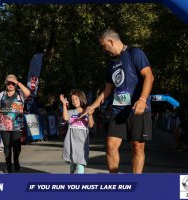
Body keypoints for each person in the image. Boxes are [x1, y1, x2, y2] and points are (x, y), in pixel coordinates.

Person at [83, 29, 154, 173]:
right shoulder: (111, 64)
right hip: (118, 110)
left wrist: (142, 99)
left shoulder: (135, 53)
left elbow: (149, 76)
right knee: (110, 146)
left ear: (111, 41)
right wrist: (93, 106)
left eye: (104, 46)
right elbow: (107, 90)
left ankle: (136, 184)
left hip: (137, 109)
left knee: (137, 147)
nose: (104, 50)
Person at [0, 74, 30, 173]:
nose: (10, 85)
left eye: (12, 83)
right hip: (4, 124)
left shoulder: (20, 93)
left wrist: (17, 82)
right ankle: (8, 165)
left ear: (15, 84)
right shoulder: (2, 94)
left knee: (16, 146)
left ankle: (16, 160)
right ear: (5, 83)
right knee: (7, 146)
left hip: (17, 125)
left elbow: (28, 93)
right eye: (8, 83)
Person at [60, 90, 94, 174]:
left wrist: (89, 115)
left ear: (81, 98)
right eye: (72, 100)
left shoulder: (87, 111)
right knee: (73, 165)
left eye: (76, 98)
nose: (74, 101)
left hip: (82, 145)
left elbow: (91, 125)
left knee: (80, 165)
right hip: (71, 143)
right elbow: (65, 118)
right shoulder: (70, 112)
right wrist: (64, 105)